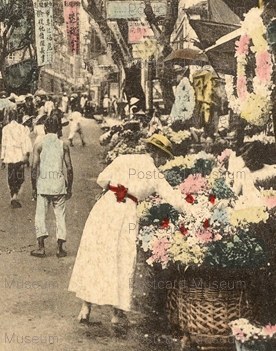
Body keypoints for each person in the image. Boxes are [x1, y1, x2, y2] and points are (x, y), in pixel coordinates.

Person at [68, 134, 190, 326]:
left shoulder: (123, 158)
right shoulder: (154, 173)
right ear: (158, 155)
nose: (162, 162)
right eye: (163, 158)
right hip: (125, 213)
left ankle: (86, 307)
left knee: (95, 253)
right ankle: (116, 314)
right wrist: (192, 210)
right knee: (122, 257)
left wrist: (118, 186)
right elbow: (174, 198)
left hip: (105, 206)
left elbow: (101, 179)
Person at [30, 116, 73, 258]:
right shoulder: (64, 145)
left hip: (43, 184)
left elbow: (33, 168)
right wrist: (70, 187)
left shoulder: (39, 145)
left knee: (40, 215)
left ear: (45, 128)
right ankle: (60, 248)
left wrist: (34, 187)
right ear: (59, 129)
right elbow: (69, 168)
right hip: (59, 185)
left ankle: (41, 247)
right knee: (60, 216)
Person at [1, 109, 32, 208]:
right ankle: (15, 195)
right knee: (20, 176)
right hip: (18, 153)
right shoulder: (21, 128)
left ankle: (12, 195)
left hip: (9, 154)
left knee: (11, 175)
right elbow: (24, 142)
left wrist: (2, 158)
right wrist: (25, 154)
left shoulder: (5, 129)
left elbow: (3, 144)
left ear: (9, 117)